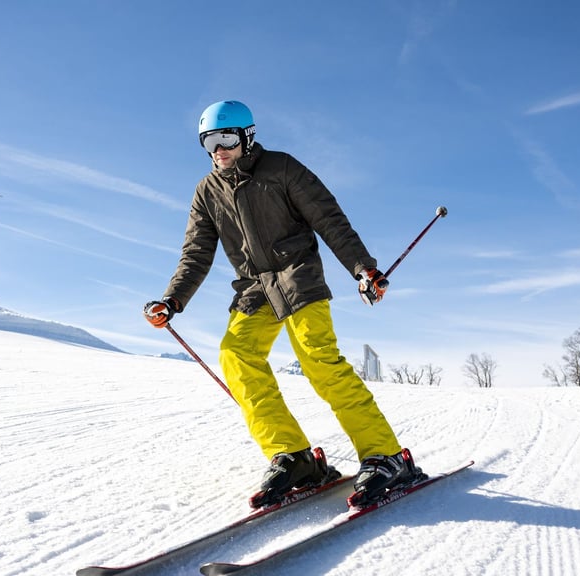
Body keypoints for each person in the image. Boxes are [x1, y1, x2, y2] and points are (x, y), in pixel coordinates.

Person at [144, 100, 423, 507]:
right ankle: (293, 456)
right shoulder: (207, 192)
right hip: (255, 290)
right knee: (236, 355)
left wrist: (363, 268)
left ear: (246, 136)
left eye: (226, 138)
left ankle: (385, 455)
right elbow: (196, 253)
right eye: (208, 142)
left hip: (298, 279)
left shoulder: (282, 169)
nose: (218, 149)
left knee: (319, 361)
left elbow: (330, 219)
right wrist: (172, 300)